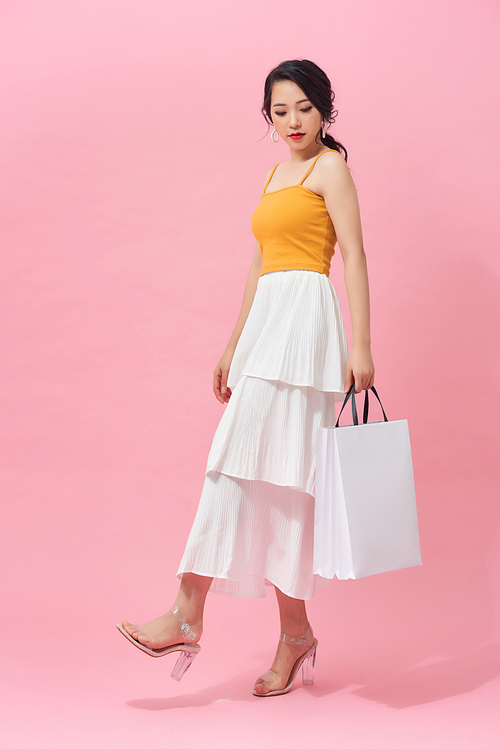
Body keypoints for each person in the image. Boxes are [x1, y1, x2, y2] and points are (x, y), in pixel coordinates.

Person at [117, 59, 375, 697]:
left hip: (308, 332)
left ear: (324, 109)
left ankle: (198, 614)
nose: (291, 121)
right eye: (279, 111)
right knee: (241, 466)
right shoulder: (274, 175)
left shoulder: (330, 169)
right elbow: (259, 265)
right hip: (267, 333)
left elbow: (355, 257)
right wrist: (233, 344)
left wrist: (362, 347)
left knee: (287, 483)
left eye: (304, 108)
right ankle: (279, 630)